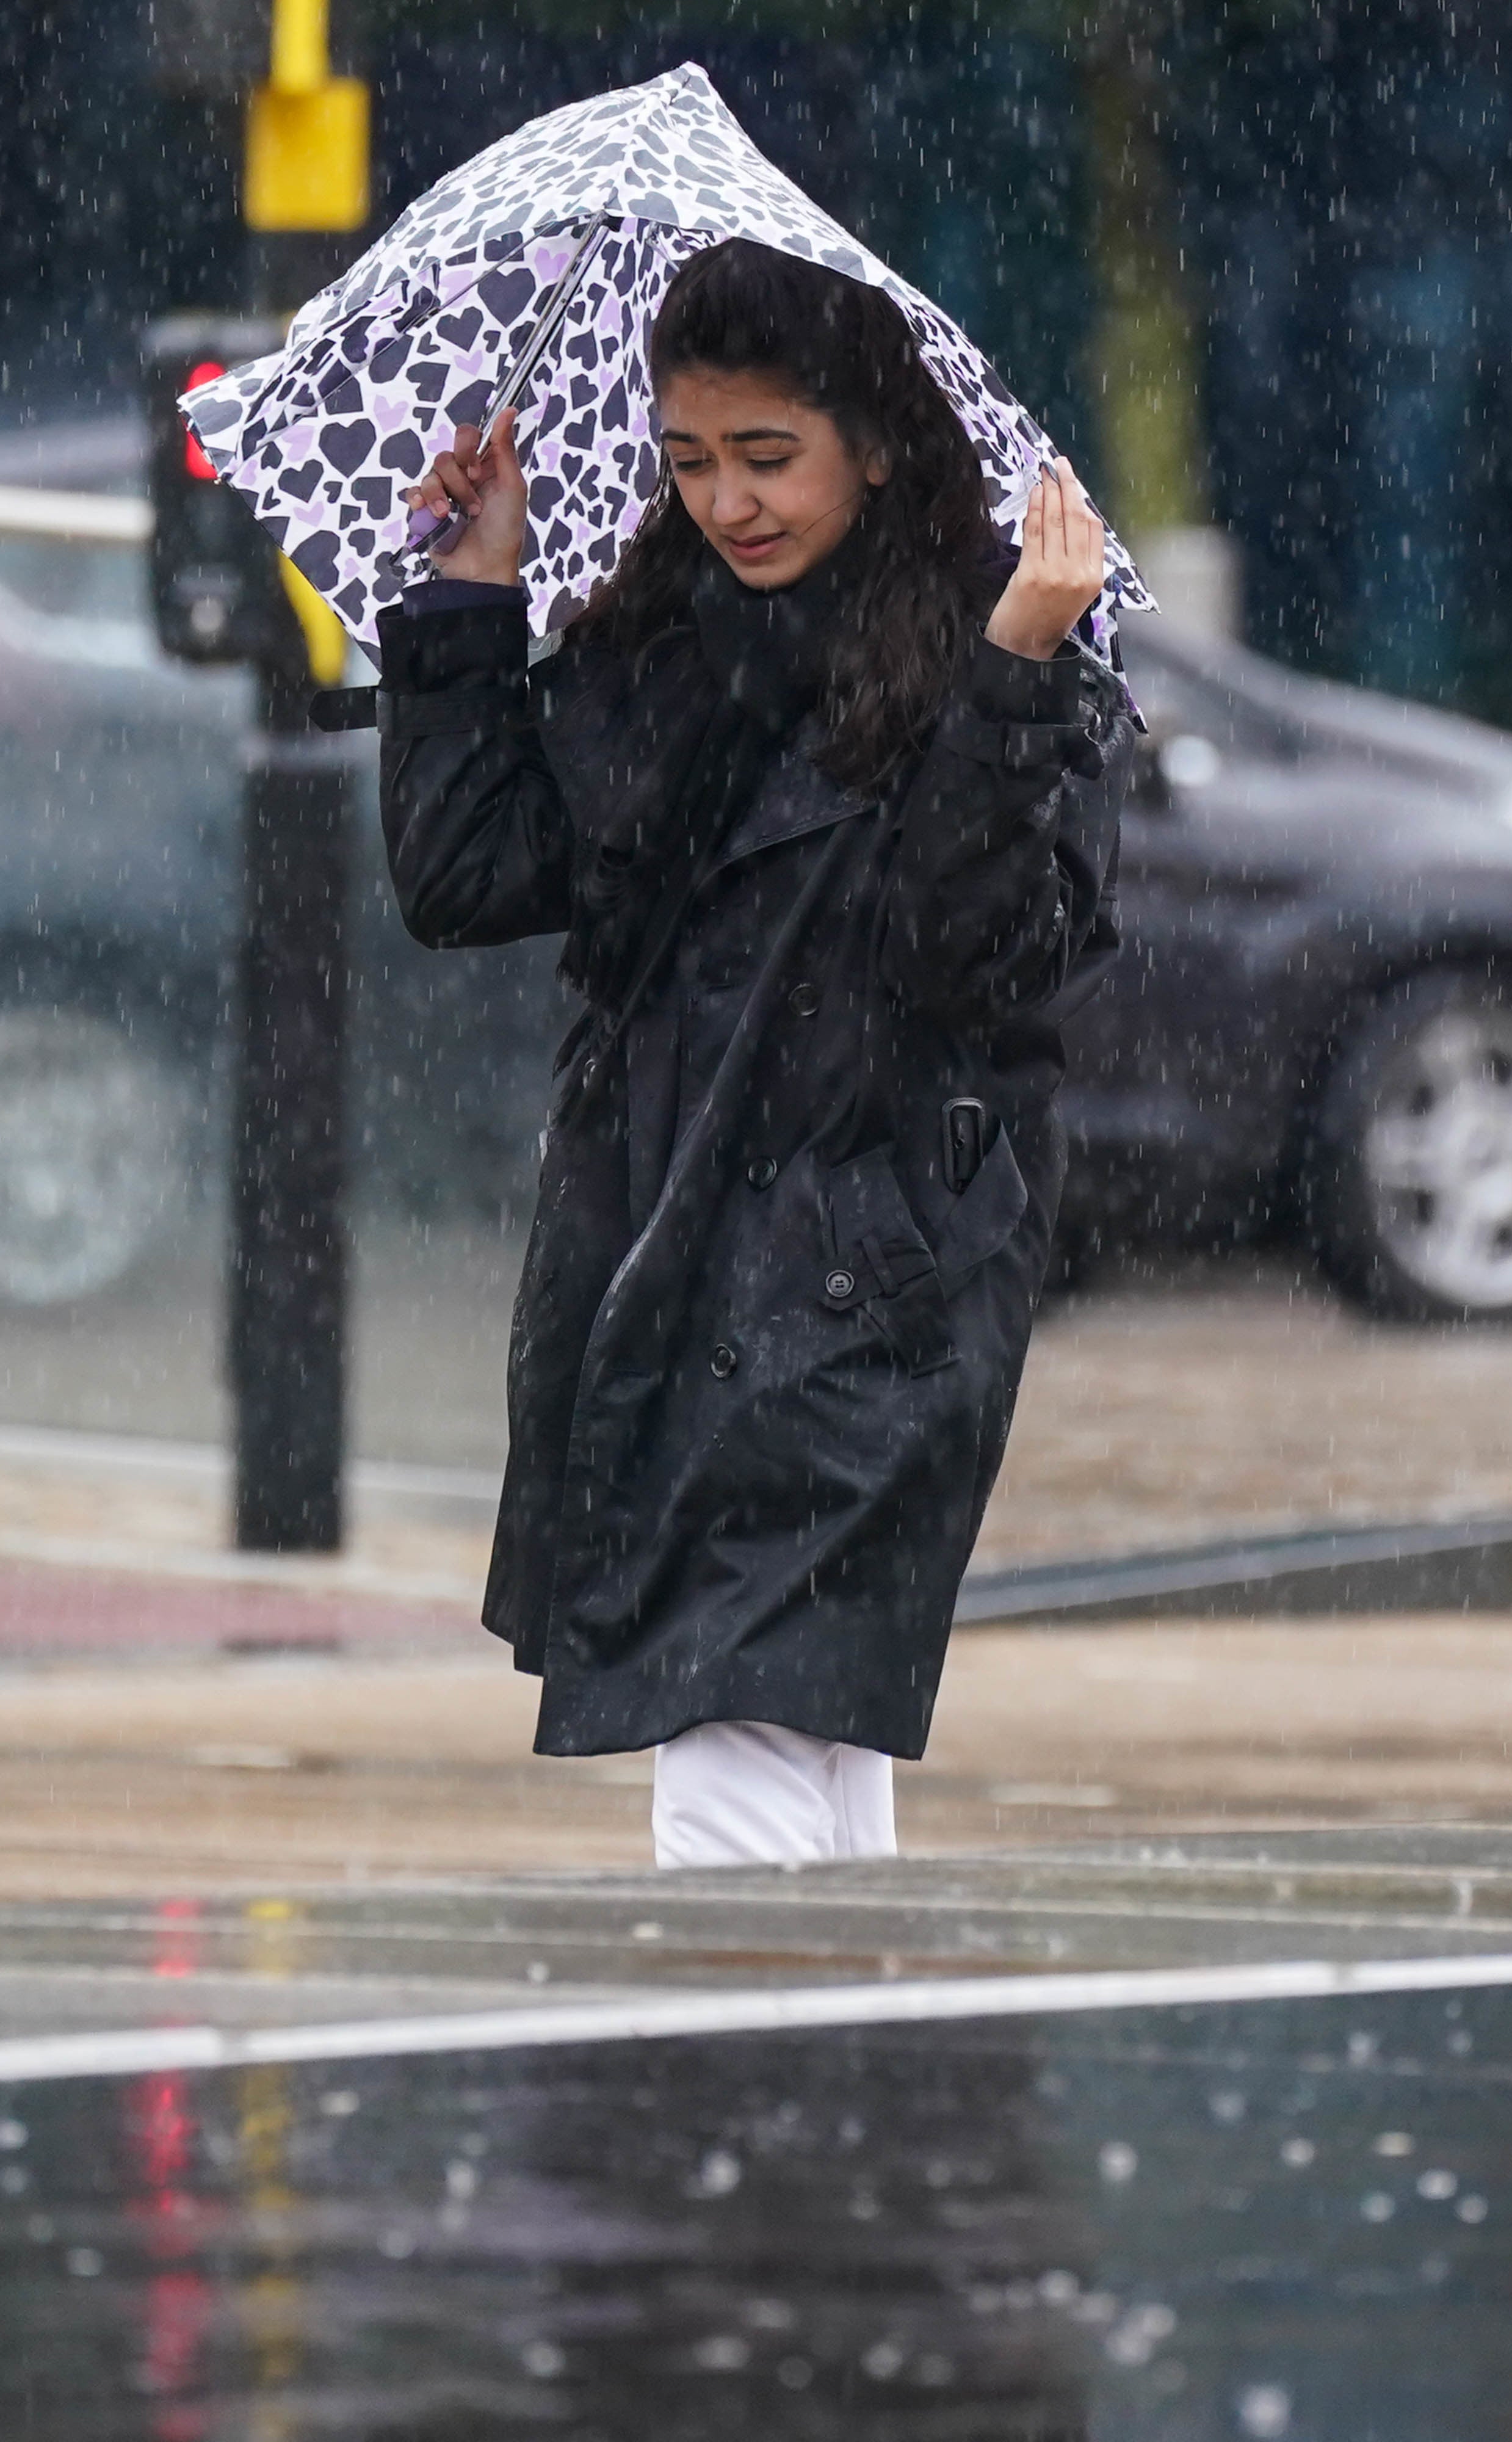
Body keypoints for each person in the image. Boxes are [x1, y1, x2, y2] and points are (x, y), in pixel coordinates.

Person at [375, 238, 1128, 1871]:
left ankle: (735, 2095)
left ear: (874, 437)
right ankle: (830, 2099)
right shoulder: (665, 648)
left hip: (871, 1272)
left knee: (741, 1718)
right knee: (789, 1717)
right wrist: (471, 599)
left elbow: (980, 957)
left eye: (768, 455)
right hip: (666, 1246)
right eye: (691, 459)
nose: (730, 501)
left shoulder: (1007, 650)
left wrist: (1010, 677)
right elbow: (468, 880)